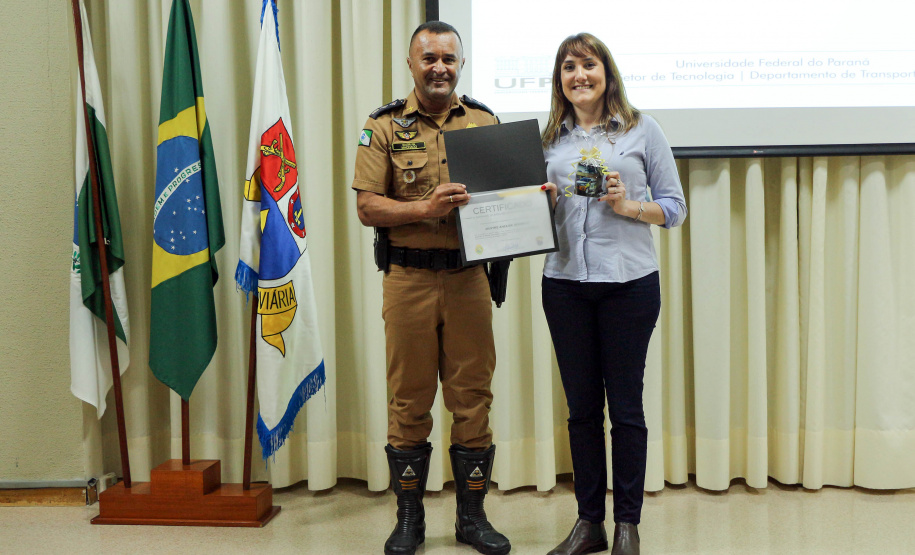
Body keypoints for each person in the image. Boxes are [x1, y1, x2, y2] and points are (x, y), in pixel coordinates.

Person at [351, 20, 511, 555]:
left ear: (460, 64)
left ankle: (472, 517)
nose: (438, 67)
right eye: (428, 58)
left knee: (472, 399)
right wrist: (425, 207)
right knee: (409, 399)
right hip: (409, 280)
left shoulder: (486, 121)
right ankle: (409, 520)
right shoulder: (383, 125)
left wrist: (540, 202)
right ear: (412, 64)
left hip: (468, 279)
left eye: (448, 58)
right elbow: (368, 206)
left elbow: (511, 201)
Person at [539, 33, 687, 555]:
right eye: (569, 67)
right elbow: (535, 218)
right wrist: (543, 203)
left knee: (625, 408)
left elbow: (675, 207)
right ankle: (588, 525)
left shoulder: (643, 131)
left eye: (589, 64)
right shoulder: (549, 139)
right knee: (580, 410)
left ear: (607, 72)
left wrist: (631, 207)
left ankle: (628, 524)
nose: (579, 75)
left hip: (628, 284)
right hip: (564, 284)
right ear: (560, 79)